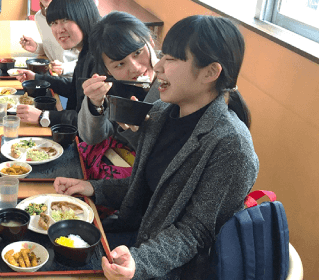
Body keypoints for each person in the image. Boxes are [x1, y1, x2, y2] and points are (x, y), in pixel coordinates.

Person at [53, 15, 258, 279]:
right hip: (134, 236)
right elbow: (149, 186)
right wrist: (92, 187)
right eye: (162, 55)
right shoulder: (162, 112)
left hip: (173, 267)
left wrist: (139, 261)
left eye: (171, 59)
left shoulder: (231, 146)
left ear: (210, 72)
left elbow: (196, 232)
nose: (157, 67)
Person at [77, 11, 161, 180]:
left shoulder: (177, 82)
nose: (135, 68)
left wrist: (135, 131)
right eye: (120, 64)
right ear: (108, 70)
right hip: (115, 168)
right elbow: (92, 138)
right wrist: (95, 102)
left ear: (150, 41)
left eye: (137, 52)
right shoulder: (112, 87)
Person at [15, 0, 100, 128]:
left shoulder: (99, 58)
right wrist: (37, 78)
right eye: (54, 23)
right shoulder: (86, 52)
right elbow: (76, 89)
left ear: (85, 16)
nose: (59, 30)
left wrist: (43, 116)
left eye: (65, 19)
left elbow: (90, 120)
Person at [19, 0, 79, 77]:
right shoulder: (39, 17)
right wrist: (37, 47)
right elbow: (56, 49)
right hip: (55, 75)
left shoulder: (72, 14)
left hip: (77, 77)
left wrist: (65, 67)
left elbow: (91, 59)